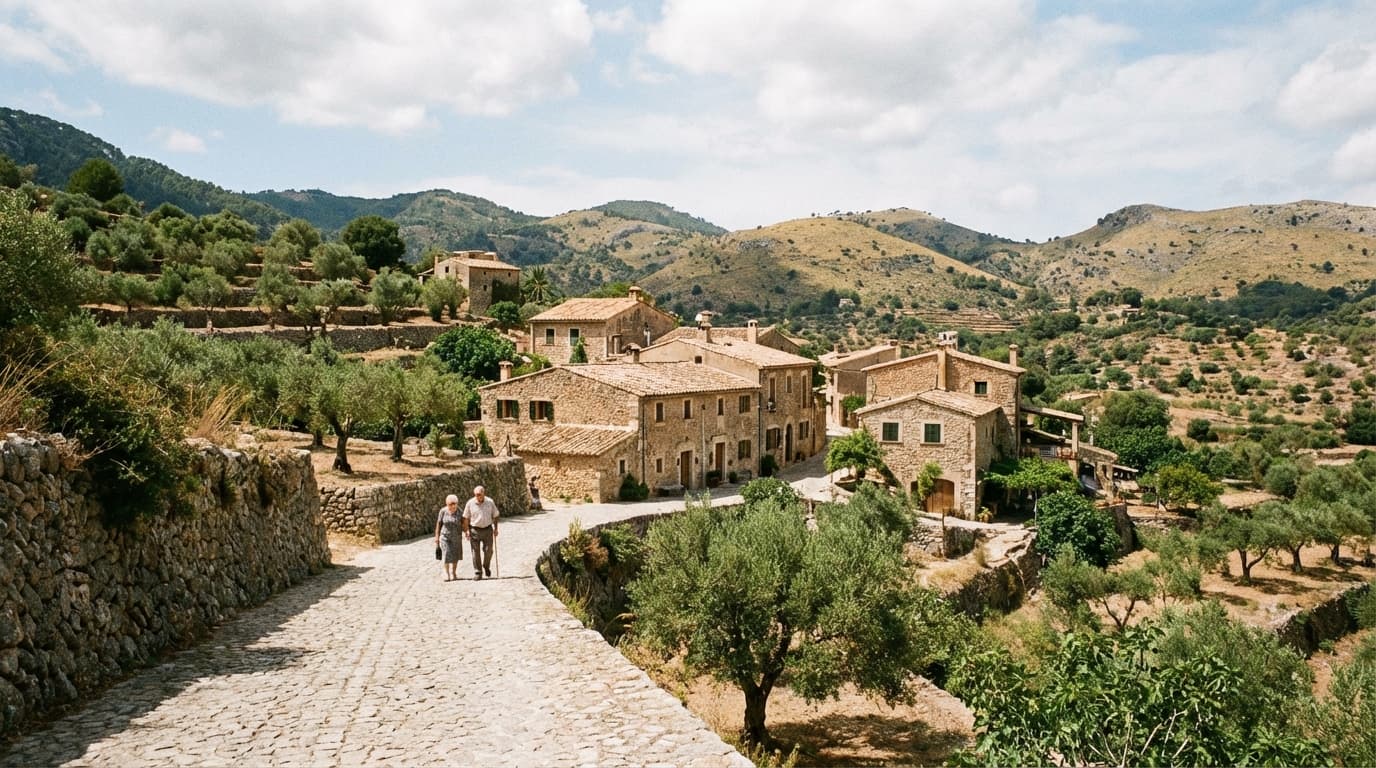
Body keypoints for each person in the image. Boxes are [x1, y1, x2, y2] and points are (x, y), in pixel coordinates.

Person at [463, 485, 499, 580]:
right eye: (476, 495)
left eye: (479, 494)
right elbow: (466, 518)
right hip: (474, 530)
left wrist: (496, 528)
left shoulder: (490, 502)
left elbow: (495, 515)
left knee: (489, 551)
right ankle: (478, 572)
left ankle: (486, 566)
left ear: (483, 493)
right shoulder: (470, 503)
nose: (477, 496)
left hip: (487, 529)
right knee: (475, 552)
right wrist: (466, 530)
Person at [434, 494, 464, 581]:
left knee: (455, 555)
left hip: (457, 537)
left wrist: (466, 531)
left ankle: (453, 572)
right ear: (447, 504)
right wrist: (437, 536)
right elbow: (439, 524)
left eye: (454, 504)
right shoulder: (443, 511)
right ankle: (446, 573)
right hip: (445, 536)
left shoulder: (460, 511)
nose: (453, 506)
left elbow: (464, 523)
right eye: (450, 504)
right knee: (446, 554)